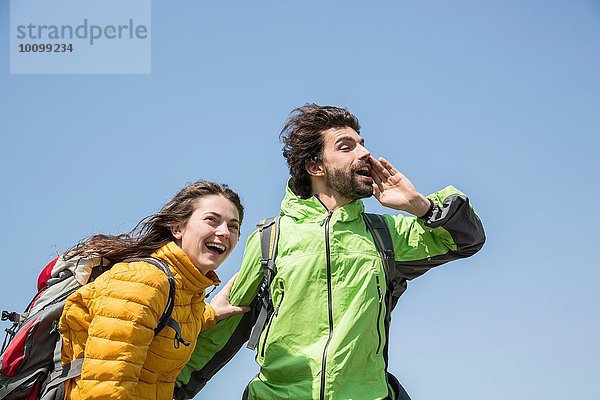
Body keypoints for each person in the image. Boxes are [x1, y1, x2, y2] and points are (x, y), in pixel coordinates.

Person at [176, 105, 486, 400]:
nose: (366, 153)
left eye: (362, 144)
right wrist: (164, 389)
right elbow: (221, 334)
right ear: (315, 166)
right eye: (346, 146)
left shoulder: (386, 235)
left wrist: (420, 205)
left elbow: (465, 239)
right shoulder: (271, 238)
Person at [58, 180, 249, 399]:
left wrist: (211, 313)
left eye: (233, 226)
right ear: (177, 228)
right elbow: (105, 389)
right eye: (211, 220)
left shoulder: (185, 293)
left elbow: (164, 324)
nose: (224, 232)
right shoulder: (143, 281)